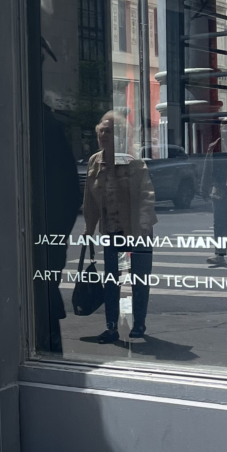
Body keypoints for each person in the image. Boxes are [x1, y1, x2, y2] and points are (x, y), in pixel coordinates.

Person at [83, 111, 156, 342]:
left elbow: (146, 195)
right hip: (112, 231)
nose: (104, 135)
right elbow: (90, 198)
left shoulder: (133, 162)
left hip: (136, 230)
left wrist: (143, 226)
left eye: (109, 131)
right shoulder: (95, 161)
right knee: (112, 281)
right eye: (101, 131)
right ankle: (112, 327)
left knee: (139, 280)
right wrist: (89, 227)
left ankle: (139, 325)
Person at [200, 136, 227, 267]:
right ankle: (219, 254)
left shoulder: (218, 146)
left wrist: (204, 189)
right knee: (220, 225)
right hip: (221, 192)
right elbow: (208, 167)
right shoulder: (215, 146)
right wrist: (204, 189)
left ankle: (219, 255)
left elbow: (208, 167)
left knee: (220, 225)